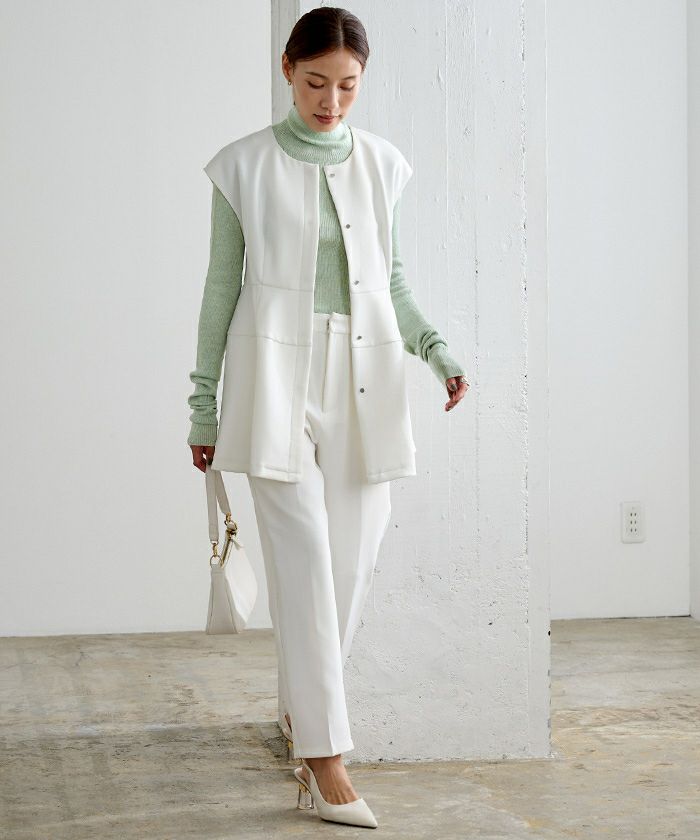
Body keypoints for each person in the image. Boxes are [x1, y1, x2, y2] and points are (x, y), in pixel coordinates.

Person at [187, 6, 469, 828]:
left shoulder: (384, 165)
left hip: (366, 375)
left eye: (347, 86)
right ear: (288, 69)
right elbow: (220, 289)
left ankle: (300, 713)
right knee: (306, 562)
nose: (330, 101)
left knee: (350, 568)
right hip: (272, 376)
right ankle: (325, 761)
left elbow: (393, 281)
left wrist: (436, 350)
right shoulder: (240, 167)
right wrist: (202, 403)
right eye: (316, 83)